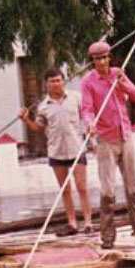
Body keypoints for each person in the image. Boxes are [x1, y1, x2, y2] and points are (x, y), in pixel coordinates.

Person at [80, 40, 135, 249]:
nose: (102, 62)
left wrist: (122, 82)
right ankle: (107, 237)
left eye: (104, 58)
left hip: (126, 137)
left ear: (109, 58)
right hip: (106, 141)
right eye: (97, 59)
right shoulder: (88, 82)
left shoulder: (117, 74)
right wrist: (89, 124)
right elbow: (86, 109)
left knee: (133, 189)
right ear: (93, 61)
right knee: (107, 192)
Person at [18, 67, 93, 235]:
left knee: (82, 187)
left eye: (59, 80)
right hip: (56, 151)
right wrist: (25, 119)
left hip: (77, 149)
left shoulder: (76, 98)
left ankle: (88, 222)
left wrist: (90, 127)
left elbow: (88, 115)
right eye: (52, 81)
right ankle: (72, 223)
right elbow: (38, 127)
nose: (56, 84)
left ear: (63, 81)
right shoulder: (43, 106)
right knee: (65, 189)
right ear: (46, 84)